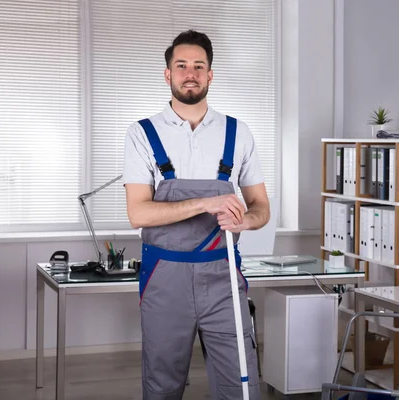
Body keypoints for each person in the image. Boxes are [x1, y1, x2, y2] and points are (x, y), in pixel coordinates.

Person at [123, 29, 270, 400]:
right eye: (182, 65)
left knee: (242, 383)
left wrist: (245, 221)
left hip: (222, 276)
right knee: (162, 384)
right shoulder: (142, 134)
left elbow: (261, 208)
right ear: (167, 74)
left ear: (210, 75)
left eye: (199, 66)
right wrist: (206, 204)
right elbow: (138, 213)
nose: (191, 73)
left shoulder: (238, 133)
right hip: (164, 278)